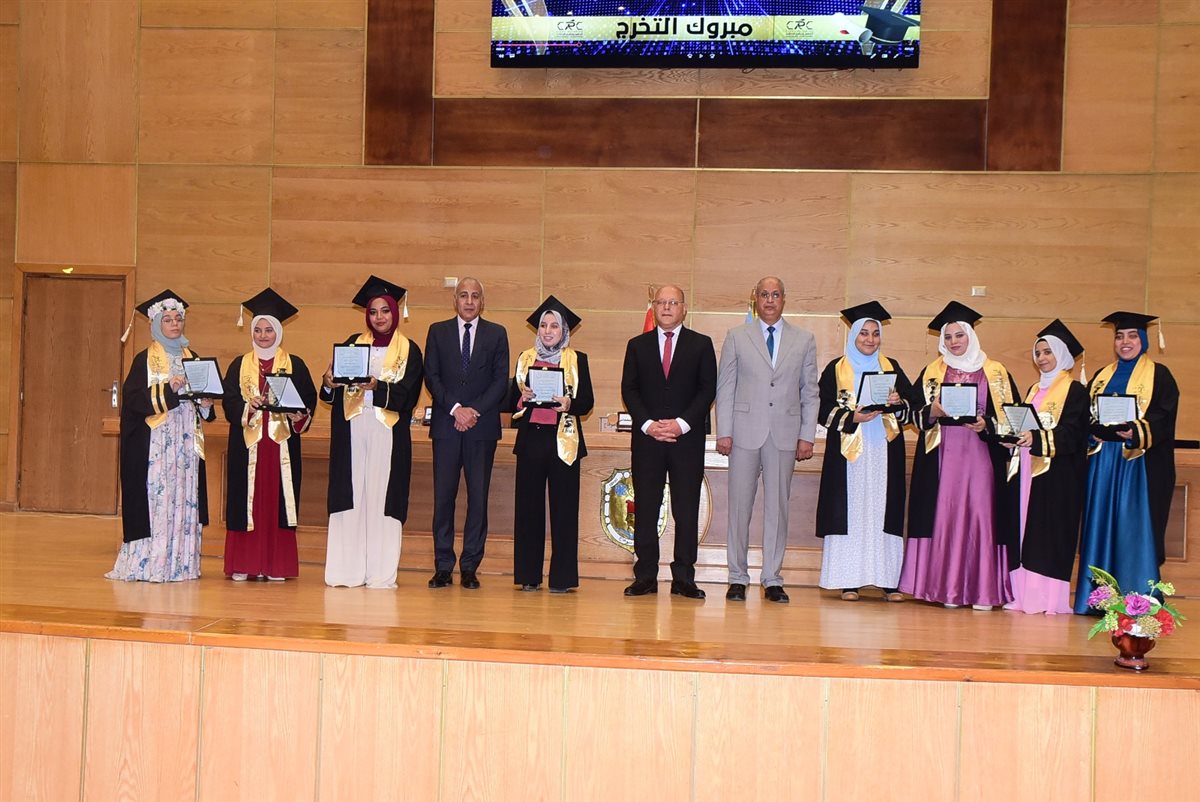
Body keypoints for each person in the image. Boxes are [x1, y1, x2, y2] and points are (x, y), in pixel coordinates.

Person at [899, 301, 1019, 610]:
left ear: (971, 336)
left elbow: (1012, 417)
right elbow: (914, 412)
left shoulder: (995, 372)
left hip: (981, 454)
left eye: (959, 335)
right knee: (945, 515)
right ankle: (945, 588)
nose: (954, 342)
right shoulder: (932, 372)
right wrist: (933, 411)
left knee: (981, 514)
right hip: (942, 456)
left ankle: (982, 590)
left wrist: (986, 424)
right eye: (948, 337)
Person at [715, 277, 818, 604]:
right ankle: (737, 577)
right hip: (743, 433)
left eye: (775, 295)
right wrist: (724, 431)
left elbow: (810, 392)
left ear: (784, 299)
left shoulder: (804, 339)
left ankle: (772, 578)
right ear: (755, 299)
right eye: (764, 295)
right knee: (739, 507)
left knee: (778, 509)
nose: (770, 300)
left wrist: (807, 434)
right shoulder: (736, 336)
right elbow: (725, 388)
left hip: (784, 434)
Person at [321, 276, 424, 589]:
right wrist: (328, 382)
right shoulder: (353, 343)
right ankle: (346, 572)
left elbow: (408, 396)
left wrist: (377, 387)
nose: (379, 317)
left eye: (385, 311)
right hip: (352, 428)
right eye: (374, 312)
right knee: (351, 497)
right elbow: (331, 391)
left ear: (395, 312)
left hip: (386, 432)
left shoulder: (409, 350)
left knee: (382, 499)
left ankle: (380, 574)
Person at [1073, 312, 1178, 614]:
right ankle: (1098, 598)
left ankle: (1138, 599)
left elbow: (1163, 417)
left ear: (1143, 340)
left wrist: (1136, 431)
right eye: (1119, 336)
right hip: (1103, 463)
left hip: (1137, 465)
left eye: (1132, 336)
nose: (1125, 342)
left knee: (1132, 527)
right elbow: (1085, 416)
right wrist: (1093, 433)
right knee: (1101, 525)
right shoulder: (1101, 376)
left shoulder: (1159, 375)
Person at [108, 290, 217, 582]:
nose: (174, 324)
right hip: (156, 443)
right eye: (167, 320)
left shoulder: (193, 358)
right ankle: (150, 564)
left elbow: (202, 398)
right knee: (157, 498)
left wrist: (206, 403)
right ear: (156, 324)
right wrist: (170, 388)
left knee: (184, 496)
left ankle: (180, 565)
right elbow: (134, 400)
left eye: (178, 319)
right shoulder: (144, 359)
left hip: (186, 441)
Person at [621, 284, 717, 599]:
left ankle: (684, 578)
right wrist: (649, 425)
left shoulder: (701, 344)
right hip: (647, 442)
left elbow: (707, 389)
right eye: (661, 302)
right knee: (646, 509)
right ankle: (646, 576)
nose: (666, 307)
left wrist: (681, 424)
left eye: (672, 302)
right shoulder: (637, 345)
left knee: (686, 510)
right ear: (653, 307)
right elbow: (629, 389)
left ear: (683, 308)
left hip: (686, 442)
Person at [814, 301, 912, 602]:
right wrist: (852, 417)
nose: (870, 339)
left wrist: (898, 403)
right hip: (849, 454)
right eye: (864, 334)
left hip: (884, 450)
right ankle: (849, 580)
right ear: (853, 336)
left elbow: (911, 407)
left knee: (882, 511)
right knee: (852, 511)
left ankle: (888, 580)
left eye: (875, 334)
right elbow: (822, 409)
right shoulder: (836, 369)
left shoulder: (891, 367)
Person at [222, 288, 317, 582]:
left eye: (269, 330)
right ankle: (244, 563)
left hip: (281, 446)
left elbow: (308, 401)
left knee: (278, 502)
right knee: (246, 502)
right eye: (258, 330)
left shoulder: (295, 364)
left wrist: (299, 415)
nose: (263, 336)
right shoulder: (239, 365)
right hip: (247, 445)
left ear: (278, 332)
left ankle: (277, 565)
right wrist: (247, 406)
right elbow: (229, 401)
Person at [424, 277, 510, 590]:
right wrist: (455, 409)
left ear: (482, 302)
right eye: (464, 295)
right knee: (443, 499)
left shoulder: (497, 333)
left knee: (478, 499)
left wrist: (473, 411)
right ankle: (443, 566)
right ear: (455, 300)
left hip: (481, 428)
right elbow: (431, 376)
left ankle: (470, 566)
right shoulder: (438, 331)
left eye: (475, 296)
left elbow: (500, 381)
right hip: (446, 427)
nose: (469, 301)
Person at [504, 296, 595, 593]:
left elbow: (587, 402)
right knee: (528, 511)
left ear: (564, 330)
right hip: (531, 440)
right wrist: (522, 397)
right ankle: (529, 575)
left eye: (554, 326)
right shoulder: (525, 358)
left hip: (564, 441)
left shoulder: (577, 359)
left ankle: (562, 579)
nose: (547, 331)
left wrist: (569, 403)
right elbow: (509, 401)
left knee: (564, 511)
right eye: (543, 325)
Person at [1001, 320, 1090, 614]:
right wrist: (1013, 437)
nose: (1041, 358)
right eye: (1037, 352)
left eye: (1047, 352)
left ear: (1061, 355)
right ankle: (1022, 595)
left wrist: (1035, 438)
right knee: (1024, 530)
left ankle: (1047, 599)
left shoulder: (1075, 391)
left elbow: (1073, 434)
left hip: (1057, 475)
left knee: (1047, 533)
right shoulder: (1032, 390)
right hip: (1028, 468)